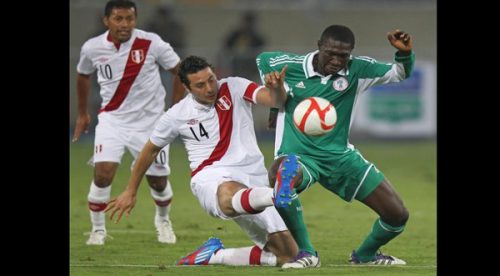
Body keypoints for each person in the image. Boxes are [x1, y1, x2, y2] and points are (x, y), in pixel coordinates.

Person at [105, 56, 299, 267]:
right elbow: (150, 150)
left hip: (254, 179)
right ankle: (276, 194)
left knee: (287, 255)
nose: (209, 88)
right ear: (187, 87)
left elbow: (276, 101)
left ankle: (214, 256)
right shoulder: (177, 115)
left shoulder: (235, 86)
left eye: (211, 79)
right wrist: (130, 190)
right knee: (227, 195)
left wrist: (277, 88)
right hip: (211, 177)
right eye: (200, 85)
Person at [256, 25, 413, 268]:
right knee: (283, 177)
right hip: (299, 156)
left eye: (344, 55)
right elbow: (262, 59)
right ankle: (307, 253)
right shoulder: (287, 65)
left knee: (398, 215)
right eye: (331, 53)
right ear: (319, 45)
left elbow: (399, 72)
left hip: (340, 158)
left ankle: (365, 255)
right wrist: (275, 98)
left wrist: (404, 53)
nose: (338, 60)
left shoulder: (358, 69)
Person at [72, 0, 185, 246]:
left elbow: (180, 70)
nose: (125, 24)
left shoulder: (151, 42)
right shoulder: (92, 47)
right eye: (118, 19)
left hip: (151, 124)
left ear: (135, 19)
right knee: (103, 174)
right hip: (113, 120)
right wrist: (82, 113)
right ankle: (98, 230)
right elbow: (83, 74)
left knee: (158, 181)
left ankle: (163, 221)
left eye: (130, 19)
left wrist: (175, 109)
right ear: (106, 21)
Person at [219, 11, 265, 82]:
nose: (248, 25)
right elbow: (226, 44)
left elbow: (261, 46)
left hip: (250, 64)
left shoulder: (256, 36)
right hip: (237, 63)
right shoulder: (236, 34)